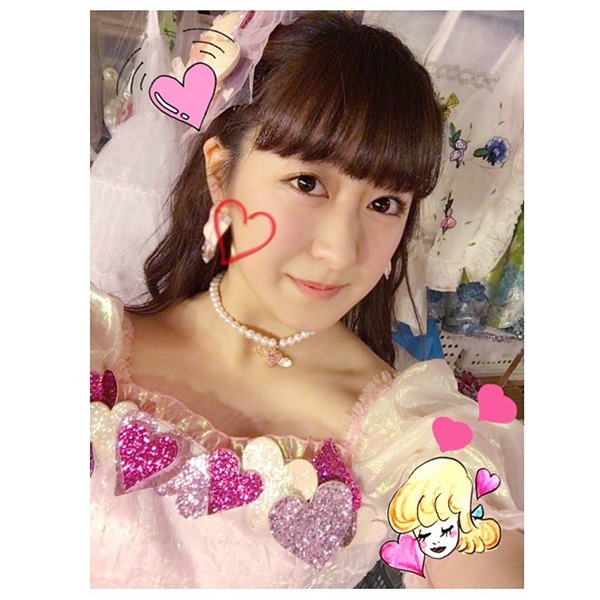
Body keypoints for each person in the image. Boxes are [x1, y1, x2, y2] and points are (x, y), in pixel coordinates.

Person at [90, 11, 524, 588]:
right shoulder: (90, 343)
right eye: (307, 183)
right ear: (220, 173)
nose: (340, 252)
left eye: (385, 204)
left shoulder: (406, 431)